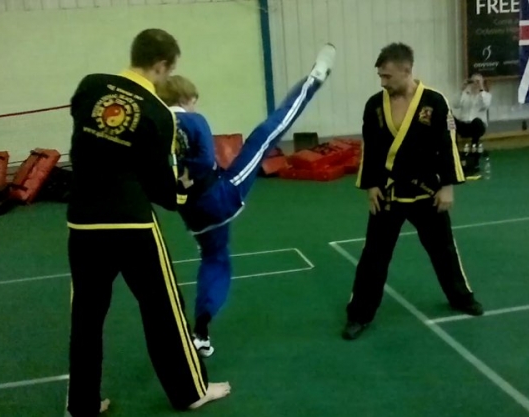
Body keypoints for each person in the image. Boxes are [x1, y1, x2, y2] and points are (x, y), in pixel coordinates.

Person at [65, 28, 230, 417]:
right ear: (161, 65)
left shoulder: (90, 86)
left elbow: (86, 137)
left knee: (86, 315)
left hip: (83, 221)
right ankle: (190, 391)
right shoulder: (157, 112)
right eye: (167, 70)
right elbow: (161, 188)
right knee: (163, 308)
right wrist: (183, 192)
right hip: (131, 224)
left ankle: (82, 404)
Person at [155, 43, 337, 357]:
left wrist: (177, 185)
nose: (196, 106)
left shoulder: (156, 127)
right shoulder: (193, 121)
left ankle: (201, 331)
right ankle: (313, 80)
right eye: (194, 101)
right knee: (266, 134)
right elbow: (204, 159)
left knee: (214, 259)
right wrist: (192, 173)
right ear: (185, 98)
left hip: (193, 213)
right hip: (220, 196)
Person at [342, 42, 483, 341]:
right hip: (389, 193)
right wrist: (371, 185)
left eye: (388, 76)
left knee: (444, 250)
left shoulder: (434, 101)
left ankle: (461, 297)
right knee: (373, 256)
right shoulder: (374, 105)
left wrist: (448, 186)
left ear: (406, 70)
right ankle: (359, 314)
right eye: (380, 76)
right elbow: (370, 148)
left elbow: (447, 145)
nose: (383, 82)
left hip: (427, 192)